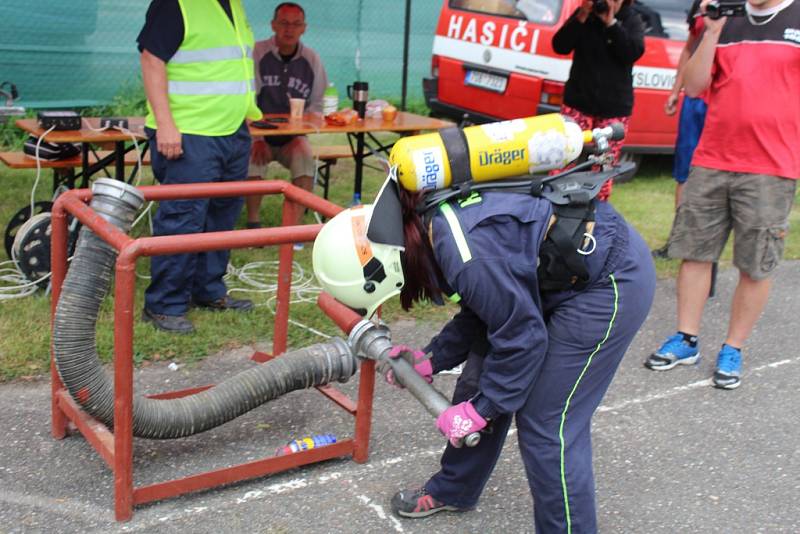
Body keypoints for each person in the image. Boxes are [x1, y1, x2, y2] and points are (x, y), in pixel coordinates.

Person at [313, 173, 656, 530]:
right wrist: (434, 357)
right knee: (479, 379)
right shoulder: (427, 226)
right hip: (555, 274)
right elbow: (488, 307)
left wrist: (484, 409)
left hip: (607, 280)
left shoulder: (460, 252)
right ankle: (455, 488)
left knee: (546, 423)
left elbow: (523, 338)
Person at [645, 0, 800, 389]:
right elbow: (696, 86)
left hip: (772, 165)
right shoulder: (722, 21)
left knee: (755, 263)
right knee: (695, 252)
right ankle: (686, 338)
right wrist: (710, 33)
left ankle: (733, 346)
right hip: (713, 157)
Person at [137, 0, 261, 334]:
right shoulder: (175, 4)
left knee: (222, 214)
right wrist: (165, 124)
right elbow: (151, 60)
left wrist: (244, 112)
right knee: (183, 217)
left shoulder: (233, 5)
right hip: (189, 131)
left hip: (231, 130)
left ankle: (208, 290)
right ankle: (163, 305)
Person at [246, 2, 328, 238]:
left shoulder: (312, 59)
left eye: (295, 24)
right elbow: (247, 100)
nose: (289, 29)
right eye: (283, 23)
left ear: (304, 28)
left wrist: (302, 130)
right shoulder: (258, 53)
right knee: (253, 157)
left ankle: (296, 228)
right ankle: (253, 224)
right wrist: (258, 136)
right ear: (273, 25)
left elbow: (318, 103)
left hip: (292, 137)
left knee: (304, 157)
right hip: (259, 135)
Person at [551, 0, 645, 200]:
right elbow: (559, 45)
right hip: (578, 102)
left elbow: (631, 52)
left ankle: (598, 210)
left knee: (605, 164)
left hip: (614, 107)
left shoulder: (631, 19)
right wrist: (582, 16)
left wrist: (611, 23)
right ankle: (554, 201)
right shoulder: (585, 16)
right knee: (564, 156)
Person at [652, 0, 708, 258]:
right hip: (694, 101)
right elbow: (688, 49)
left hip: (720, 102)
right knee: (683, 172)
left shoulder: (741, 8)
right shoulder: (701, 5)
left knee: (712, 175)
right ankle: (677, 241)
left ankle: (703, 246)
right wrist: (676, 90)